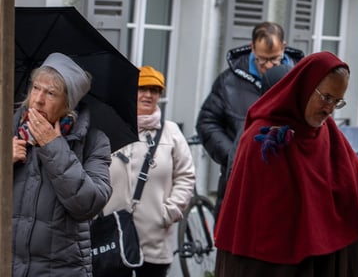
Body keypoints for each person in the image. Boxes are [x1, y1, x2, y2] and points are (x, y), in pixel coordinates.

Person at [214, 51, 358, 277]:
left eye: (337, 101)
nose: (330, 109)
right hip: (270, 265)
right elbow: (253, 217)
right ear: (305, 87)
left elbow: (355, 182)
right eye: (326, 97)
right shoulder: (261, 137)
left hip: (320, 260)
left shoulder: (329, 132)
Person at [12, 52, 112, 276]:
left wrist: (53, 147)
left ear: (69, 102)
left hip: (60, 270)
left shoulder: (94, 142)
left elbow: (88, 204)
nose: (38, 99)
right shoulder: (8, 129)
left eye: (50, 93)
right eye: (36, 88)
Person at [196, 21, 304, 219]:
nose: (268, 66)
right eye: (262, 60)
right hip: (239, 182)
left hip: (287, 185)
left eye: (275, 59)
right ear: (252, 47)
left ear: (284, 47)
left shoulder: (301, 80)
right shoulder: (228, 81)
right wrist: (234, 155)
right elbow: (207, 123)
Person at [103, 65, 195, 277]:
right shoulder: (110, 128)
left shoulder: (171, 132)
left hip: (154, 241)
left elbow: (186, 176)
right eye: (142, 89)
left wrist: (169, 213)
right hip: (111, 237)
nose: (148, 95)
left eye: (154, 90)